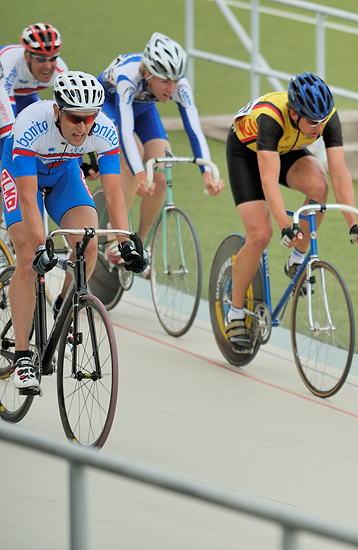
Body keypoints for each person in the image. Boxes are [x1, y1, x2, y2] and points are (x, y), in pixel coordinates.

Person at [1, 71, 146, 391]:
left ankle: (63, 306)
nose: (82, 127)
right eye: (75, 119)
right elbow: (28, 197)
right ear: (57, 111)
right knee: (28, 257)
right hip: (20, 173)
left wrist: (127, 243)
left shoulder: (104, 129)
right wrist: (41, 245)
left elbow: (114, 194)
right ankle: (22, 356)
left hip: (64, 173)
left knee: (88, 244)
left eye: (89, 118)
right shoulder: (31, 123)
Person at [223, 71, 358, 354]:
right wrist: (285, 225)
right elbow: (268, 180)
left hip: (286, 148)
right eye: (312, 122)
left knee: (319, 186)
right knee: (260, 235)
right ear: (294, 114)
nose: (319, 127)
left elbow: (339, 172)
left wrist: (353, 223)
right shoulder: (271, 118)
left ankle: (297, 260)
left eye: (322, 121)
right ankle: (235, 312)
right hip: (246, 153)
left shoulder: (325, 117)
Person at [97, 31, 223, 264]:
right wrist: (139, 173)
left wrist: (206, 172)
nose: (171, 87)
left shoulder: (179, 86)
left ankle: (139, 245)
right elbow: (125, 131)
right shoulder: (128, 78)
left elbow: (194, 130)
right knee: (131, 159)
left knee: (161, 173)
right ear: (148, 74)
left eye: (176, 80)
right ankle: (118, 238)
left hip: (144, 109)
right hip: (109, 105)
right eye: (165, 81)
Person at [0, 23, 68, 117]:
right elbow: (6, 111)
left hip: (25, 96)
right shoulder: (6, 62)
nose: (48, 66)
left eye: (53, 58)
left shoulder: (61, 71)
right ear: (26, 56)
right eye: (41, 59)